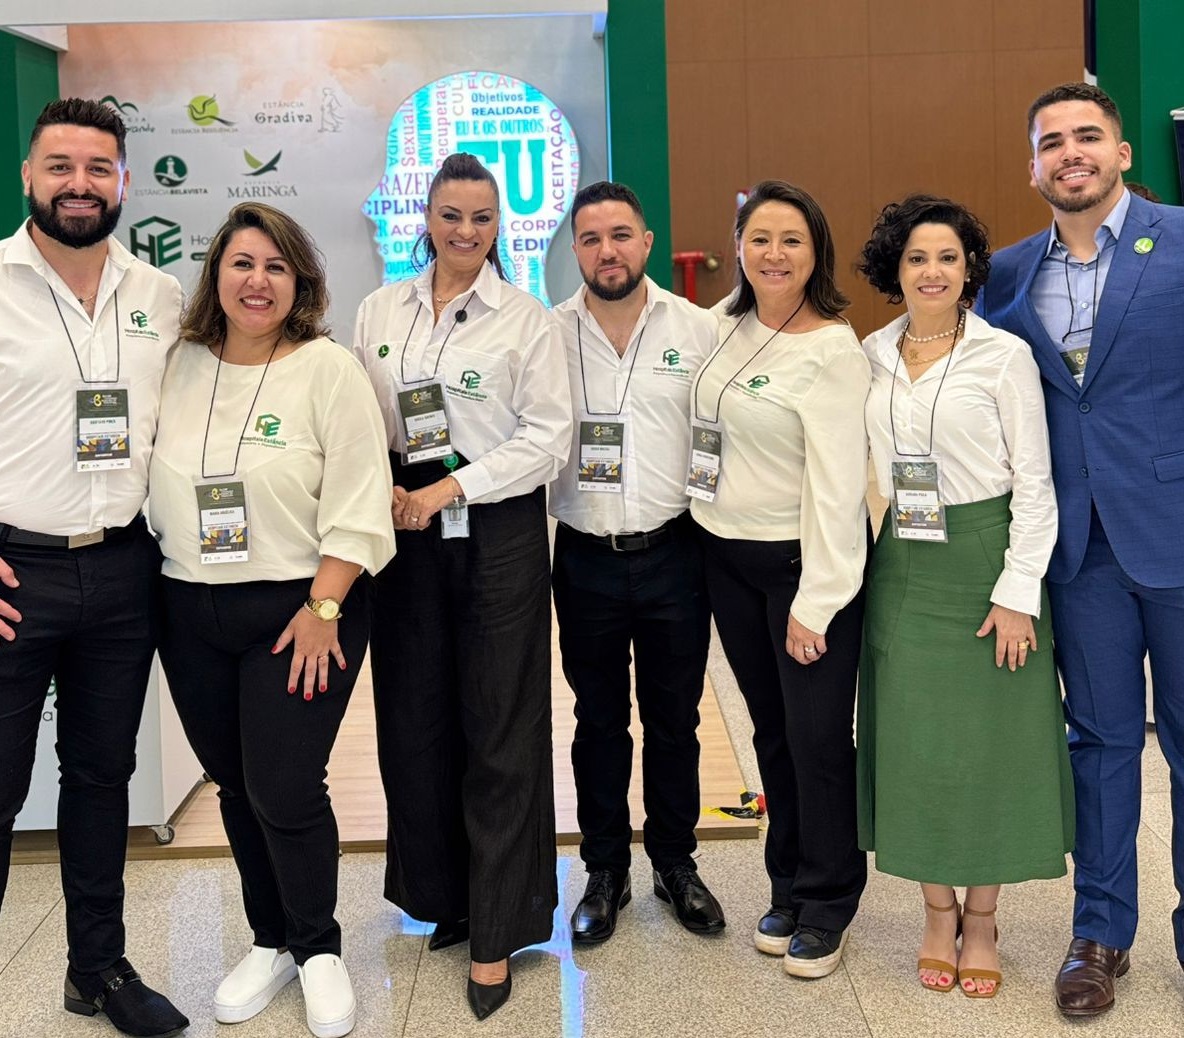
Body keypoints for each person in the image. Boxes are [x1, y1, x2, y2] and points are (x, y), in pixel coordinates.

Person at [149, 203, 395, 1038]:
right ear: (215, 275)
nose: (258, 281)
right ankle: (271, 939)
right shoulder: (179, 363)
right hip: (189, 606)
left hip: (300, 609)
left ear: (301, 283)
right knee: (234, 783)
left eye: (276, 267)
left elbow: (361, 496)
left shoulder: (328, 369)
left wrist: (326, 606)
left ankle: (318, 946)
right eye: (242, 263)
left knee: (286, 785)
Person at [979, 81, 1184, 1018]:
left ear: (1122, 153)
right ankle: (1100, 934)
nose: (1072, 152)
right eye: (1052, 141)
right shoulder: (1007, 275)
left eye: (1088, 136)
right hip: (1079, 549)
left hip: (1176, 531)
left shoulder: (1178, 241)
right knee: (1099, 743)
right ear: (1033, 168)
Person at [353, 152, 571, 1021]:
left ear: (498, 225)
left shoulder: (526, 320)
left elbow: (548, 439)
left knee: (500, 724)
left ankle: (498, 929)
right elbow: (360, 416)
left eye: (482, 218)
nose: (466, 232)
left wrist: (450, 488)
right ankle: (445, 897)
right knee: (414, 720)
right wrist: (381, 489)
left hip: (495, 526)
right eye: (452, 215)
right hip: (400, 525)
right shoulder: (379, 309)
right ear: (427, 217)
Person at [0, 98, 188, 1038]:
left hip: (122, 570)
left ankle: (98, 970)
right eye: (61, 166)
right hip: (13, 575)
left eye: (98, 168)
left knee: (101, 778)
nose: (80, 184)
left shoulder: (160, 295)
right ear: (28, 177)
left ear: (123, 181)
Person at [855, 194, 1074, 998]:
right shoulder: (871, 354)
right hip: (904, 566)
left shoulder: (1003, 356)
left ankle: (981, 919)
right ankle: (935, 911)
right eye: (917, 257)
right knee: (917, 746)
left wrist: (1018, 592)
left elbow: (1036, 484)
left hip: (988, 562)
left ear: (970, 268)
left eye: (948, 257)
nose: (932, 271)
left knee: (991, 748)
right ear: (896, 268)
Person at [690, 180, 870, 978]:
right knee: (772, 731)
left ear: (815, 251)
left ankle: (829, 899)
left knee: (818, 737)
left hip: (804, 569)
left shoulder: (832, 351)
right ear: (738, 245)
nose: (774, 254)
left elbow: (839, 490)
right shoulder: (722, 326)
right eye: (759, 238)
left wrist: (818, 603)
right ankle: (788, 881)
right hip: (727, 561)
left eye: (791, 239)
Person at [550, 181, 723, 944]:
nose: (607, 251)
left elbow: (719, 437)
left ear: (647, 241)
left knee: (674, 720)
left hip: (674, 553)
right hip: (584, 557)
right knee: (597, 721)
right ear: (575, 251)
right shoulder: (547, 335)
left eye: (620, 234)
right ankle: (605, 869)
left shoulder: (698, 328)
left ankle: (675, 863)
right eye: (591, 239)